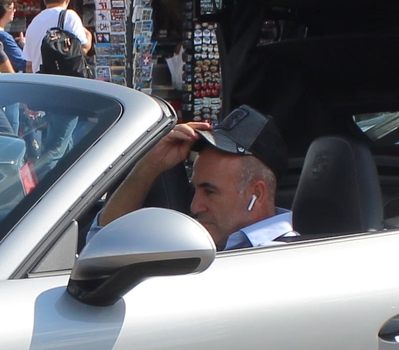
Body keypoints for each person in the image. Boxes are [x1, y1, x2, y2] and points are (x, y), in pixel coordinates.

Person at [98, 104, 294, 250]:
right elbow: (102, 246)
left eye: (210, 192)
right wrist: (149, 167)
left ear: (256, 194)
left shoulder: (288, 259)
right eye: (196, 190)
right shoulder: (198, 241)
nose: (195, 206)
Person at [22, 0, 93, 76]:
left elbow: (29, 65)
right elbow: (83, 48)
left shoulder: (33, 23)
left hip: (40, 84)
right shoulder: (69, 16)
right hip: (62, 83)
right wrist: (88, 35)